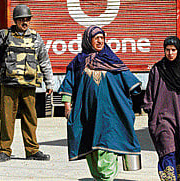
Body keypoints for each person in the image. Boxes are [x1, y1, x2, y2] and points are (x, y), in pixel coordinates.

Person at [58, 25, 142, 180]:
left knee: (107, 145)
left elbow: (130, 82)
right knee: (91, 148)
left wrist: (137, 102)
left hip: (110, 113)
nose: (99, 41)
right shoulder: (79, 62)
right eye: (96, 38)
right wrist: (67, 106)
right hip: (87, 113)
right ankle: (99, 177)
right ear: (88, 40)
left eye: (102, 38)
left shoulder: (112, 60)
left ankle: (107, 178)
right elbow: (68, 84)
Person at [0, 4, 54, 162]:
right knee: (7, 119)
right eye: (21, 19)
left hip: (28, 85)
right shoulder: (4, 36)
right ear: (15, 20)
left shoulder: (36, 38)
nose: (25, 22)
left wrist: (50, 83)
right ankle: (5, 151)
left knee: (31, 118)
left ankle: (32, 150)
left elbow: (44, 60)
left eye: (27, 19)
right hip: (8, 85)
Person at [142, 36, 180, 181]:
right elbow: (150, 93)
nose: (170, 53)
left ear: (178, 51)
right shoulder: (158, 70)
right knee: (167, 151)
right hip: (162, 119)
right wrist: (149, 109)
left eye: (173, 50)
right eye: (167, 50)